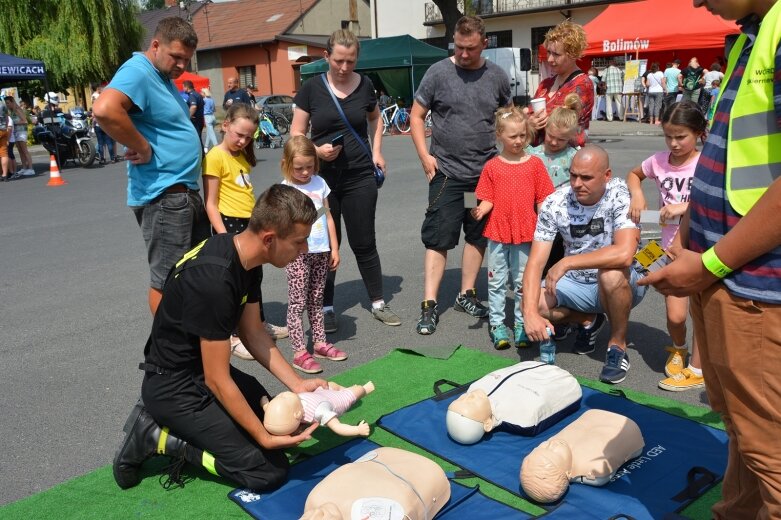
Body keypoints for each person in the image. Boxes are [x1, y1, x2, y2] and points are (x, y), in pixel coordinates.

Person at [641, 0, 781, 516]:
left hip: (756, 286)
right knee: (744, 430)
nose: (698, 2)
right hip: (730, 276)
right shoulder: (751, 33)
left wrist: (708, 263)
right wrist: (697, 246)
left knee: (770, 449)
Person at [112, 184, 327, 492]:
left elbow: (253, 333)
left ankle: (205, 432)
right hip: (174, 387)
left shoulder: (247, 258)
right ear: (269, 239)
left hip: (197, 373)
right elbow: (217, 379)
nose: (304, 250)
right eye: (299, 241)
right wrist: (263, 437)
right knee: (268, 472)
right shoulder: (215, 281)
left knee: (280, 427)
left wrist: (297, 384)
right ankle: (159, 437)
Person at [92, 17, 209, 315]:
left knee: (196, 276)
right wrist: (142, 147)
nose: (182, 65)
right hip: (165, 196)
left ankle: (192, 347)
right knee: (168, 281)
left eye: (187, 59)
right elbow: (104, 109)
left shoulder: (162, 77)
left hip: (182, 193)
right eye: (176, 57)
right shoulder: (139, 71)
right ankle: (168, 356)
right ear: (155, 45)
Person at [291, 29, 400, 332]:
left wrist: (377, 151)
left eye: (350, 61)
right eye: (338, 60)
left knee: (364, 241)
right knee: (323, 244)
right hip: (319, 181)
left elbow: (375, 118)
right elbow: (296, 133)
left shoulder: (365, 85)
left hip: (359, 176)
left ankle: (378, 302)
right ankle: (326, 307)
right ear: (326, 56)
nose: (344, 67)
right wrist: (316, 150)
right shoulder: (312, 89)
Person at [409, 15, 512, 335]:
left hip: (483, 177)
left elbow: (509, 118)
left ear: (484, 43)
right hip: (448, 175)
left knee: (477, 234)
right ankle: (429, 304)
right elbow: (416, 115)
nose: (464, 54)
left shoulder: (496, 76)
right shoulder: (438, 72)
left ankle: (466, 293)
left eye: (470, 48)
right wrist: (425, 156)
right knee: (439, 237)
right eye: (459, 47)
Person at [522, 145, 646, 384]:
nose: (577, 183)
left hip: (623, 282)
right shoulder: (555, 202)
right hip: (577, 284)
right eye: (573, 175)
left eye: (586, 177)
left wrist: (567, 262)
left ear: (606, 176)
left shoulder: (619, 193)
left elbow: (625, 254)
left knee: (610, 274)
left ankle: (617, 346)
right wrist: (529, 313)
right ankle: (587, 319)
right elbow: (535, 264)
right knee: (532, 301)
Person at [627, 101, 706, 391]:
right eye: (668, 136)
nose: (673, 143)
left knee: (701, 309)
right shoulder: (658, 161)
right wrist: (636, 194)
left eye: (681, 136)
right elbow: (634, 174)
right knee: (675, 315)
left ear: (697, 133)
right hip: (667, 248)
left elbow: (717, 198)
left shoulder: (707, 162)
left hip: (698, 247)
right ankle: (678, 346)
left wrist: (685, 206)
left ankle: (699, 366)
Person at [202, 103, 289, 360]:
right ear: (225, 125)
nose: (242, 140)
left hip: (249, 223)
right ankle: (234, 335)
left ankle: (257, 324)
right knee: (235, 282)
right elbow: (211, 203)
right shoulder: (215, 156)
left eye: (248, 137)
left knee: (254, 277)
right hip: (228, 225)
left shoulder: (241, 156)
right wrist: (223, 235)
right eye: (238, 134)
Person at [471, 107, 554, 349]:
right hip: (497, 231)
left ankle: (521, 323)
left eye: (522, 135)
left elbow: (543, 199)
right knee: (496, 281)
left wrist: (547, 221)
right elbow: (487, 198)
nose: (518, 141)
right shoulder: (492, 167)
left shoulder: (535, 164)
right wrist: (480, 211)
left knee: (521, 281)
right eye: (512, 136)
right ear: (499, 135)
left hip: (526, 230)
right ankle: (497, 325)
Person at [280, 136, 343, 374]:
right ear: (286, 164)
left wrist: (334, 248)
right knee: (297, 303)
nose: (305, 172)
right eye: (299, 168)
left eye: (310, 166)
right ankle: (299, 352)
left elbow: (328, 217)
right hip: (297, 254)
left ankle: (319, 344)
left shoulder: (320, 183)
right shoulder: (286, 188)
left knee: (317, 299)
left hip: (321, 250)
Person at [529, 21, 594, 147]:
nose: (549, 59)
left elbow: (564, 124)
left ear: (572, 55)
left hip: (564, 158)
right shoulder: (545, 84)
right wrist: (529, 122)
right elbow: (529, 114)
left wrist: (534, 122)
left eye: (556, 54)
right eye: (548, 52)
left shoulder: (582, 84)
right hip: (539, 156)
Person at [261, 381, 374, 437]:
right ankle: (365, 389)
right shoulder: (319, 412)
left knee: (331, 385)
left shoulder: (290, 409)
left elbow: (269, 408)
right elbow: (338, 427)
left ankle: (349, 389)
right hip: (336, 401)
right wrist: (357, 430)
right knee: (357, 391)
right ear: (297, 414)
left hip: (322, 393)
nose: (282, 395)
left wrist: (265, 403)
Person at [527, 93, 581, 189]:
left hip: (562, 202)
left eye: (561, 139)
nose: (554, 142)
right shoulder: (532, 153)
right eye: (551, 136)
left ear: (571, 137)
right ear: (545, 129)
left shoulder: (573, 156)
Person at [4, 97, 33, 176]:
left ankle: (30, 168)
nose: (7, 105)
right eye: (6, 103)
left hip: (22, 131)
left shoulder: (17, 109)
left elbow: (25, 121)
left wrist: (14, 123)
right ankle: (24, 168)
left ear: (12, 102)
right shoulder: (11, 111)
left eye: (8, 103)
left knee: (24, 150)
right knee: (20, 151)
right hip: (16, 132)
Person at [92, 87, 118, 164]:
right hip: (105, 125)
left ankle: (102, 159)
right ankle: (113, 158)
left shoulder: (95, 106)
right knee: (109, 142)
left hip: (97, 125)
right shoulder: (105, 105)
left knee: (100, 143)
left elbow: (93, 116)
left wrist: (93, 125)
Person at [201, 87, 218, 151]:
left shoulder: (203, 100)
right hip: (213, 117)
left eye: (202, 92)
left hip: (207, 117)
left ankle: (216, 147)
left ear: (204, 93)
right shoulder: (211, 100)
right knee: (209, 133)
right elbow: (214, 109)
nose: (201, 93)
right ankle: (206, 146)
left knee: (211, 134)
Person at [0, 97, 9, 182]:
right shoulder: (3, 104)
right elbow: (7, 118)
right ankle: (5, 175)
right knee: (3, 153)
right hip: (3, 129)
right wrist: (5, 128)